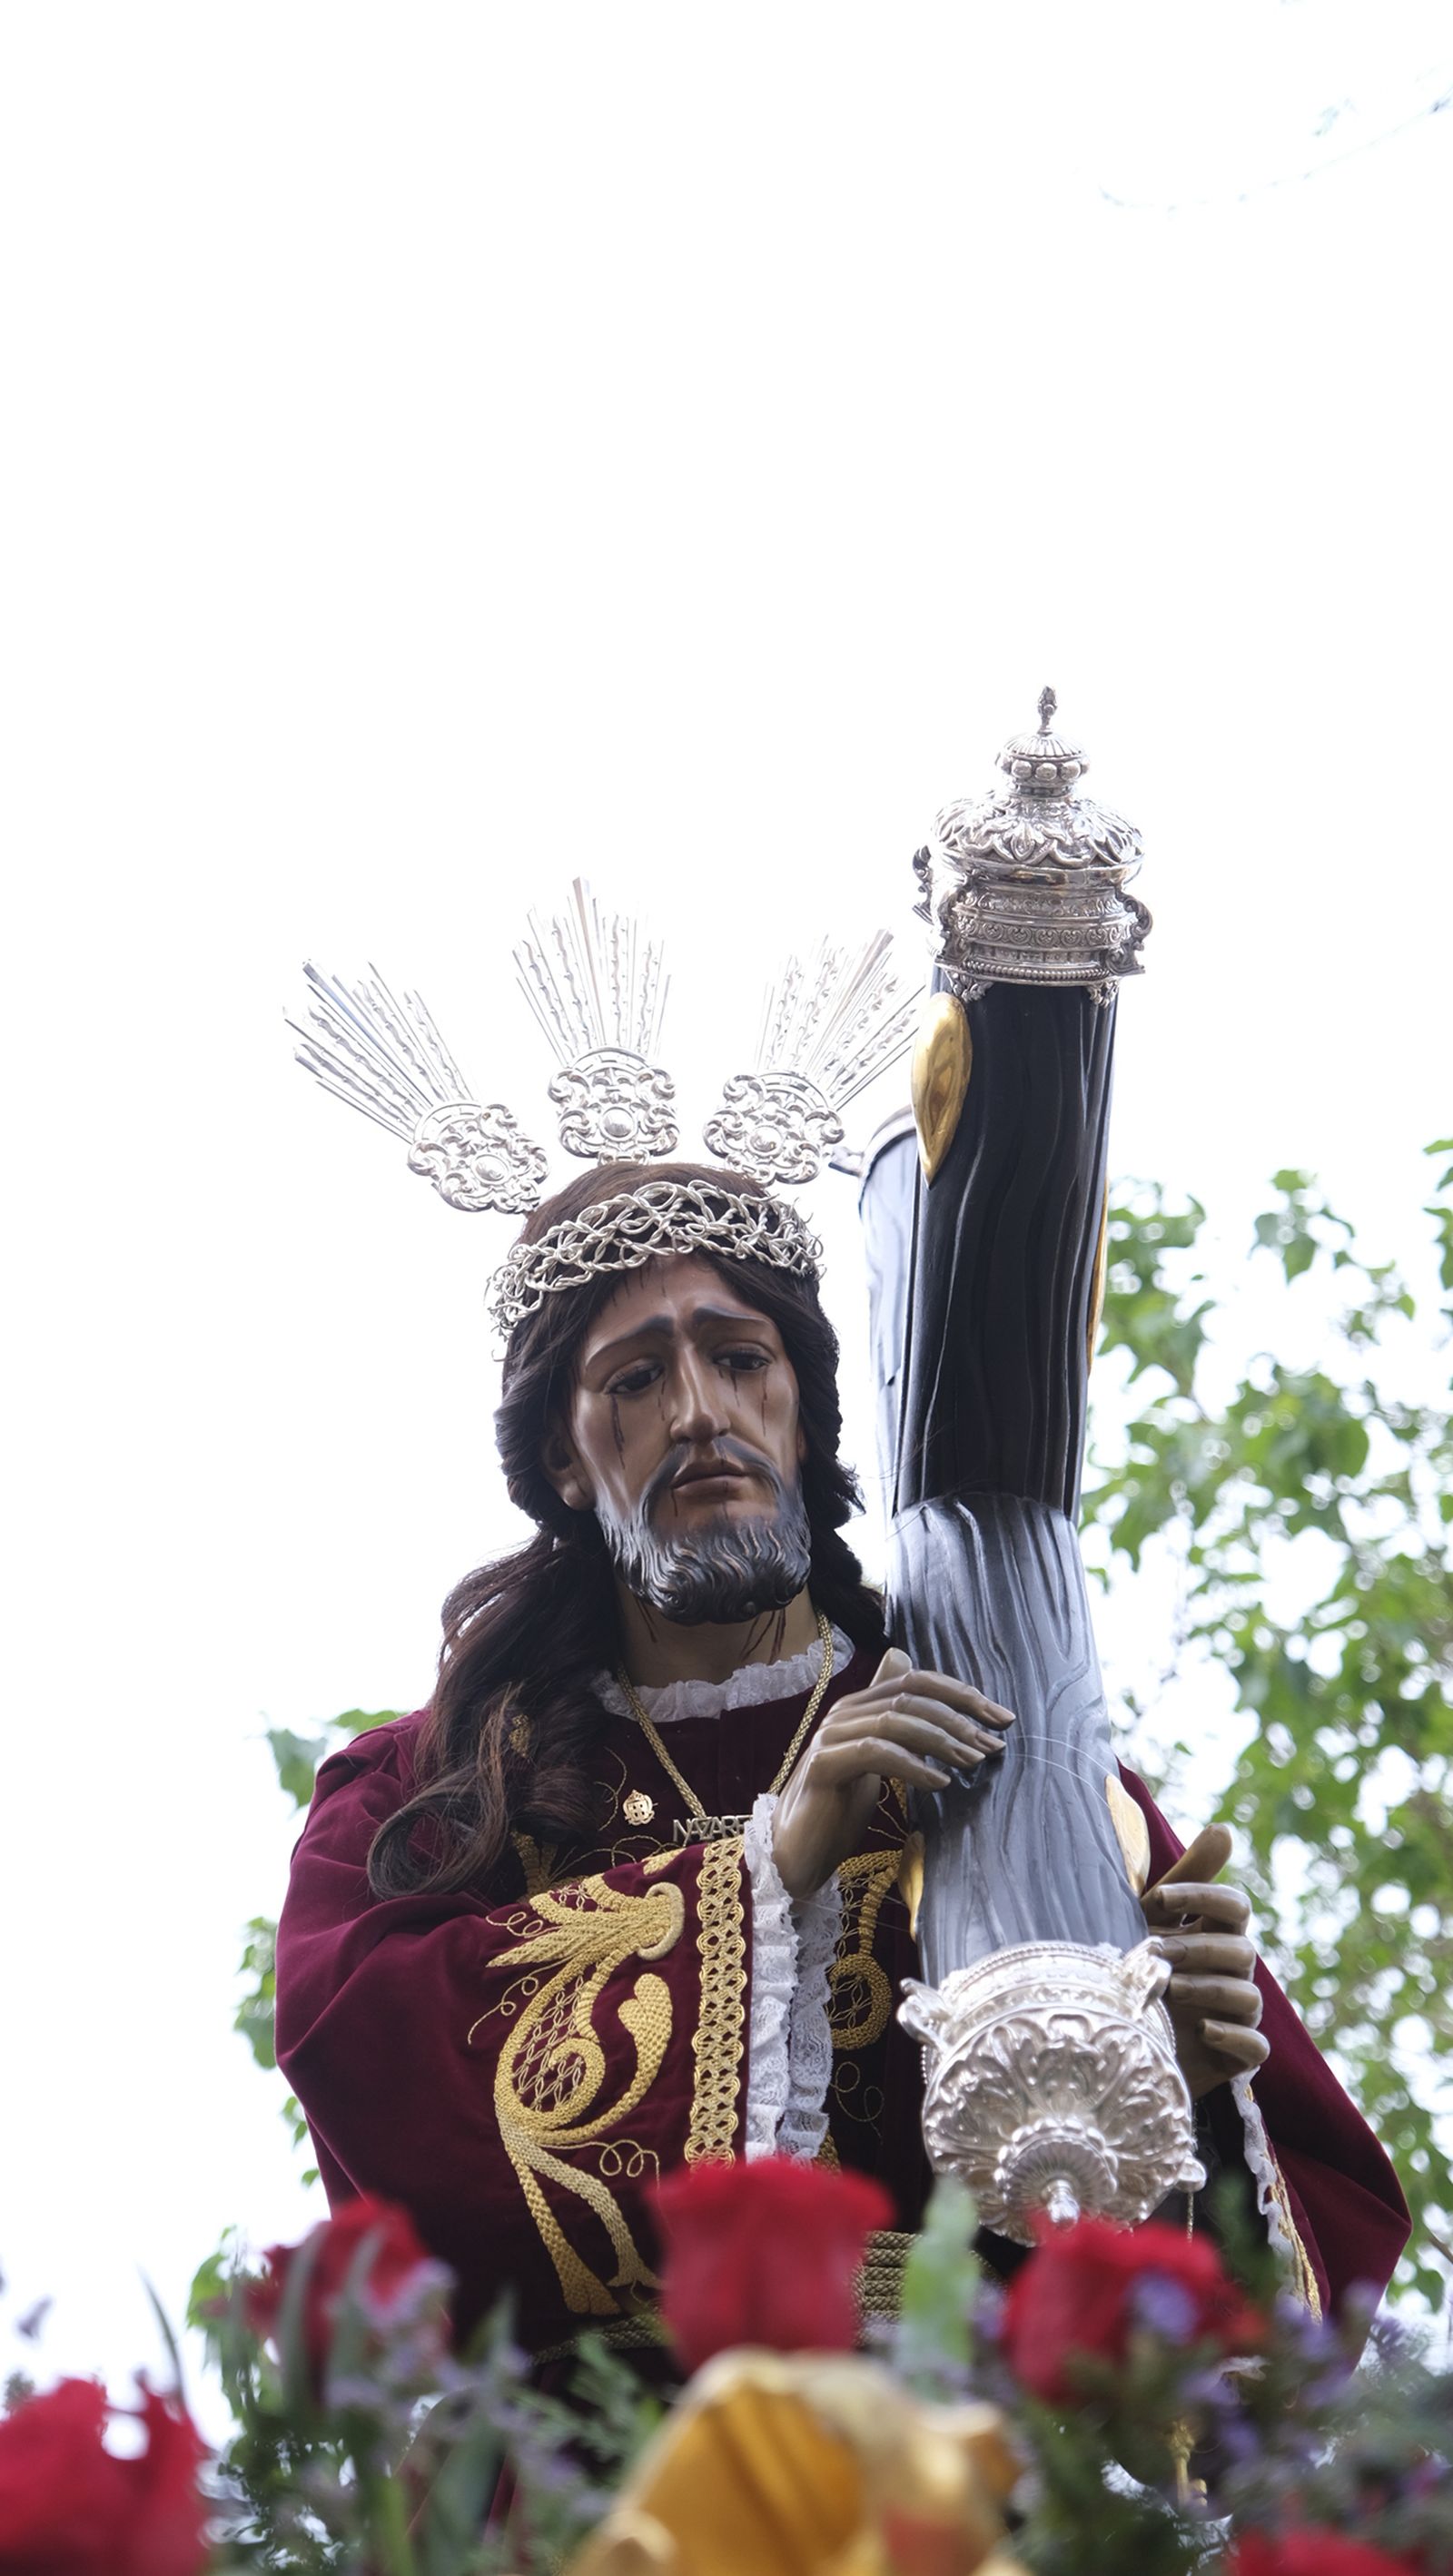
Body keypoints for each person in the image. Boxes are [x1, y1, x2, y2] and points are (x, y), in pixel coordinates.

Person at [275, 1159, 1409, 2365]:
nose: (699, 1411)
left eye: (740, 1358)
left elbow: (1259, 2292)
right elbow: (373, 2059)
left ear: (804, 1410)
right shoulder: (444, 1786)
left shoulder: (1006, 1750)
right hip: (608, 2462)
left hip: (965, 2451)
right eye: (636, 1378)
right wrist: (770, 1865)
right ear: (564, 1454)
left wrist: (1175, 2097)